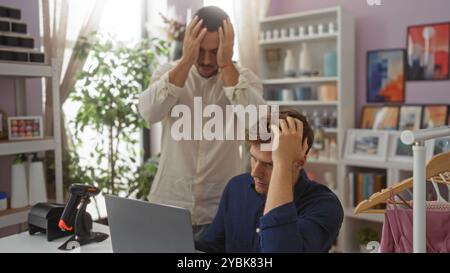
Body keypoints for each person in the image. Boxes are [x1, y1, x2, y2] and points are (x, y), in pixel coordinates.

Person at [138, 6, 265, 240]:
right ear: (189, 42)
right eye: (200, 51)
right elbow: (149, 113)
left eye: (215, 51)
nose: (207, 60)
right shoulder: (168, 72)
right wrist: (187, 60)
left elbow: (258, 125)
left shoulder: (245, 79)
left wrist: (226, 66)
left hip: (221, 211)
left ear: (228, 47)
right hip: (169, 205)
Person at [195, 109, 344, 252]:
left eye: (270, 164)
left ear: (299, 162)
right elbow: (212, 247)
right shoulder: (236, 186)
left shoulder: (324, 206)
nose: (255, 173)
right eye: (253, 158)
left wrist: (282, 164)